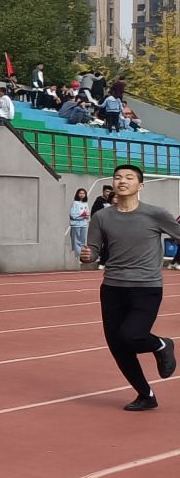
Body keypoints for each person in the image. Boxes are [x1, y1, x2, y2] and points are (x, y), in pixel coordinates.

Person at [80, 163, 180, 411]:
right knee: (117, 345)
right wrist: (87, 256)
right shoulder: (102, 217)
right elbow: (92, 250)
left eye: (128, 177)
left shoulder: (155, 214)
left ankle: (162, 345)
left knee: (131, 335)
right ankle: (146, 394)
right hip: (113, 288)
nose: (122, 181)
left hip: (146, 287)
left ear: (140, 185)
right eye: (117, 177)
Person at [69, 187, 91, 260]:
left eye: (83, 193)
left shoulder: (86, 203)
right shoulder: (75, 203)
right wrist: (81, 216)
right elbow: (72, 215)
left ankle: (81, 257)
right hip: (75, 225)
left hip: (84, 225)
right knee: (75, 240)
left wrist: (86, 216)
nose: (82, 195)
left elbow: (87, 214)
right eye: (80, 193)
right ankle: (76, 257)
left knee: (82, 241)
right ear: (77, 194)